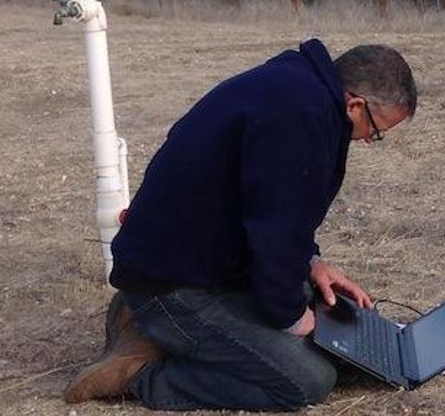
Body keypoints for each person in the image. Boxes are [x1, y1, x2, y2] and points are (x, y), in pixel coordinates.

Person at [63, 39, 417, 411]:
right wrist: (295, 320)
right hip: (172, 286)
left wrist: (312, 264)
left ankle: (144, 325)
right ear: (355, 104)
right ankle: (140, 374)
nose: (368, 141)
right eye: (376, 132)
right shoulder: (299, 117)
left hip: (201, 263)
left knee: (334, 316)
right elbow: (274, 232)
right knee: (307, 379)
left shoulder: (298, 89)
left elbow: (271, 206)